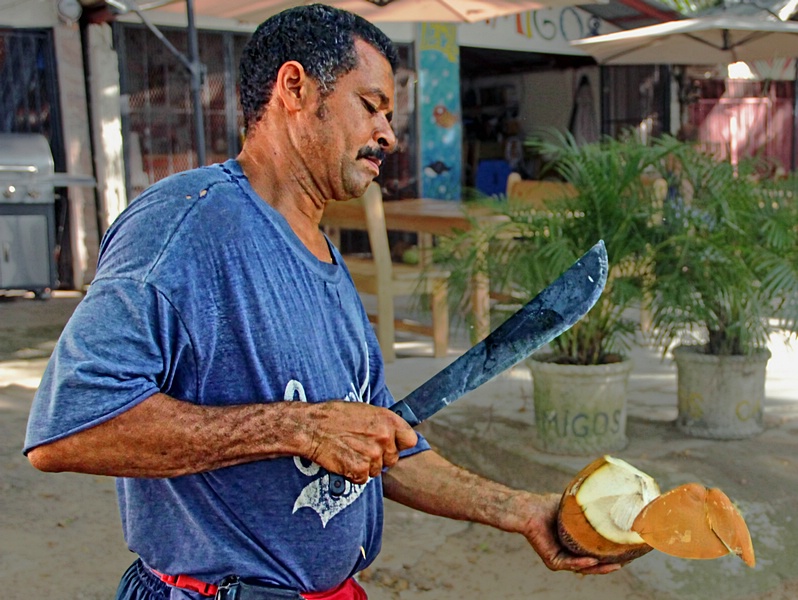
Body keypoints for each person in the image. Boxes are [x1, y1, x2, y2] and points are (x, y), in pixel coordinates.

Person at [24, 5, 620, 599]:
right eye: (371, 106)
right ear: (294, 87)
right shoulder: (187, 224)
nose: (389, 134)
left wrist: (519, 511)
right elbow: (68, 429)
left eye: (390, 115)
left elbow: (388, 444)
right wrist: (299, 428)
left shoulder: (325, 261)